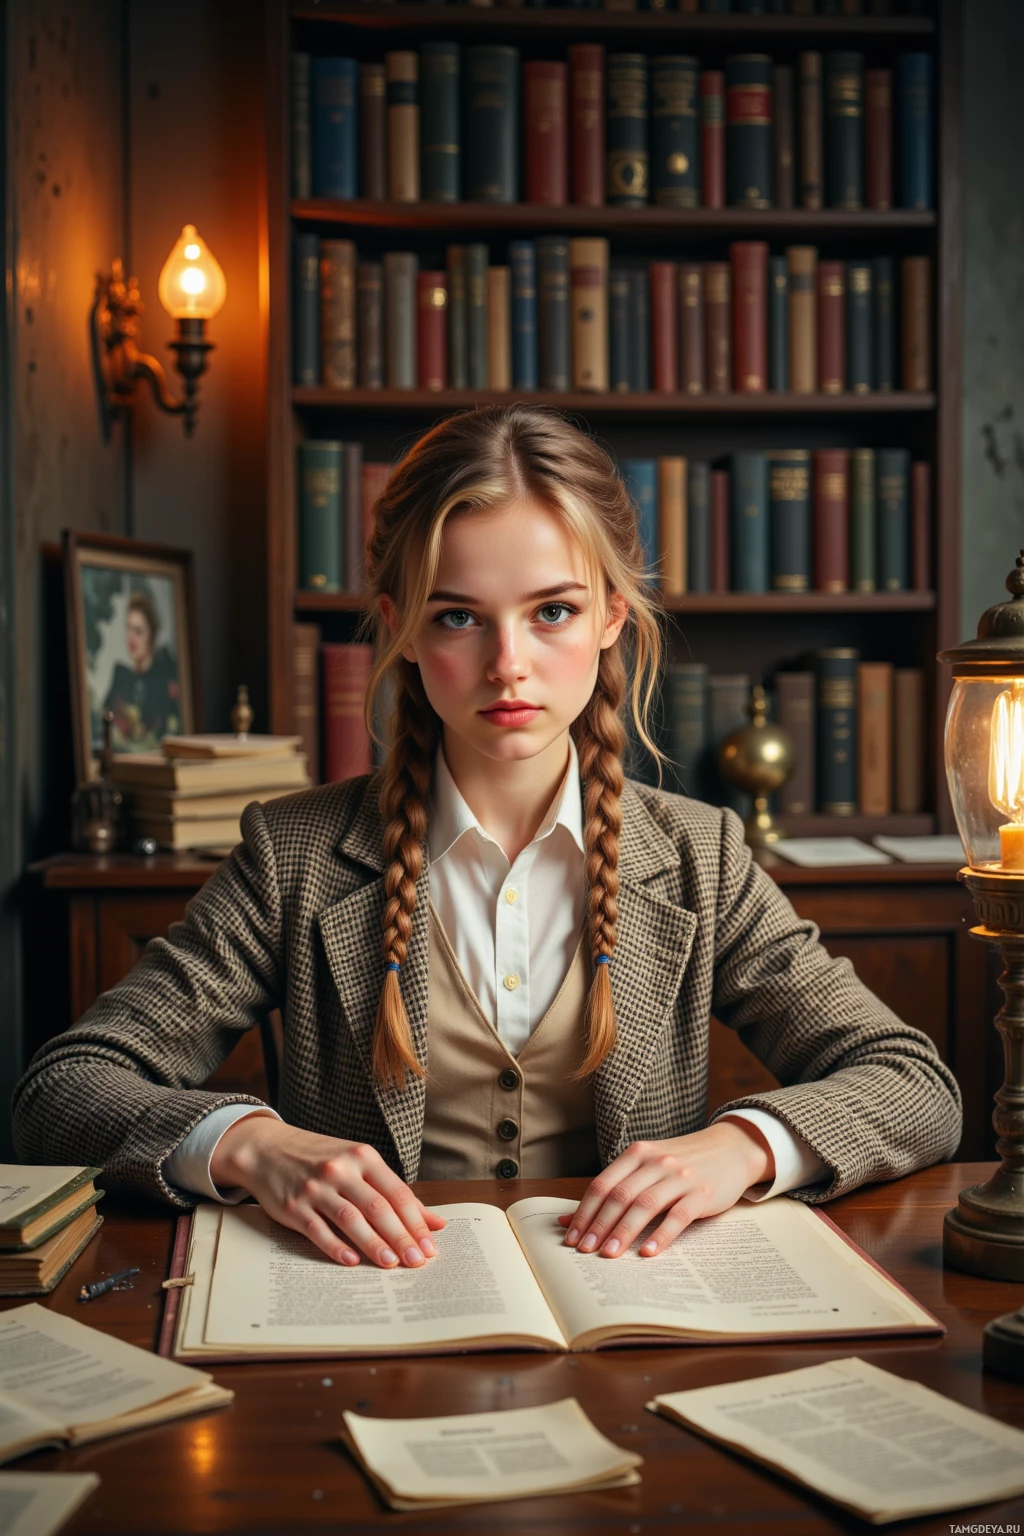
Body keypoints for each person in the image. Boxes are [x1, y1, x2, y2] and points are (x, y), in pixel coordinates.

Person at [14, 404, 961, 1273]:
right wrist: (252, 1145)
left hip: (638, 1320)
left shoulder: (701, 857)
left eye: (553, 611)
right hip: (365, 1320)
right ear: (402, 631)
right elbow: (63, 1090)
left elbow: (913, 1083)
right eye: (459, 616)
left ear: (610, 621)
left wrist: (742, 1146)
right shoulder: (293, 856)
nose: (509, 665)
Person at [101, 589, 181, 751]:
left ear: (151, 636)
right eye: (129, 629)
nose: (131, 638)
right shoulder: (121, 677)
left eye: (138, 631)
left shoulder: (163, 678)